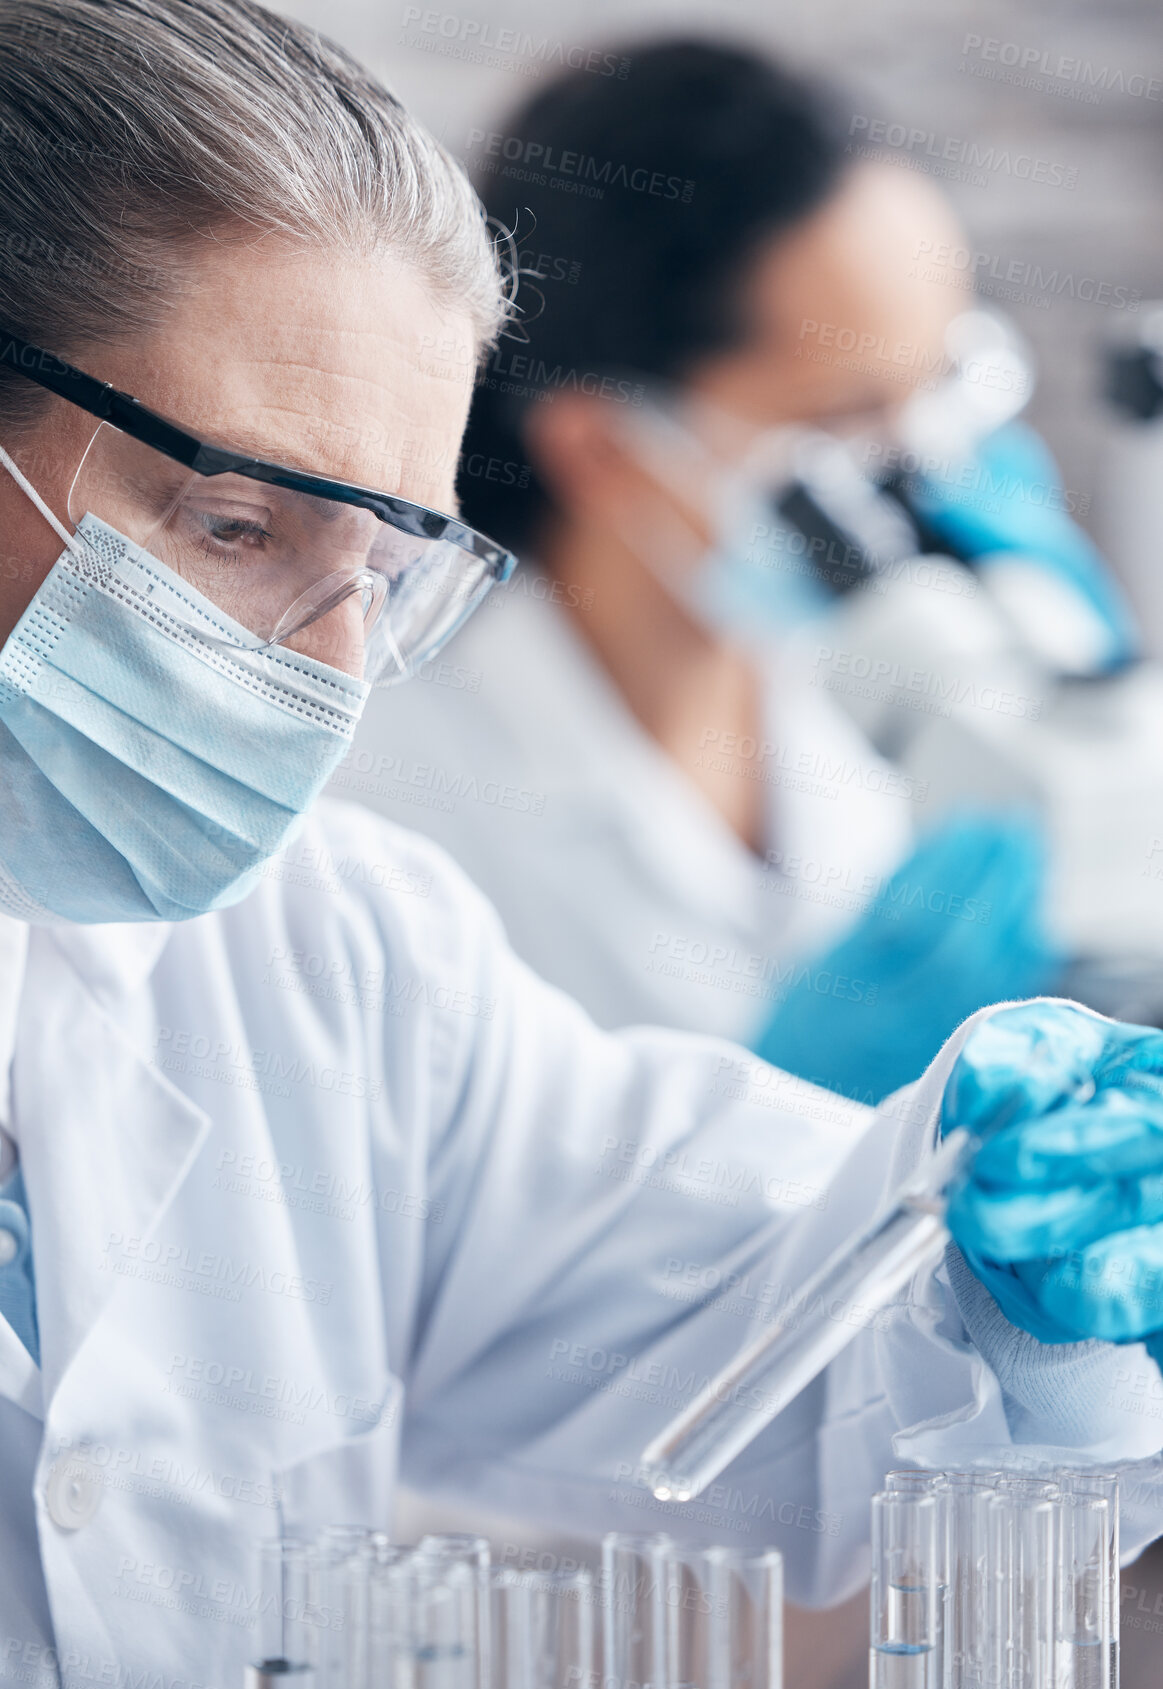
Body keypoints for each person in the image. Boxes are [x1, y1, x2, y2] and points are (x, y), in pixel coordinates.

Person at [1, 5, 1162, 1689]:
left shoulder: (334, 952)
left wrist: (987, 1242)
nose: (326, 684)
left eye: (385, 568)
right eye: (239, 528)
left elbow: (756, 1336)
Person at [330, 42, 1126, 1100]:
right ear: (603, 449)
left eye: (945, 383)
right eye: (846, 420)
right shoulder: (383, 797)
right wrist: (776, 1100)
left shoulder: (895, 679)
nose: (926, 475)